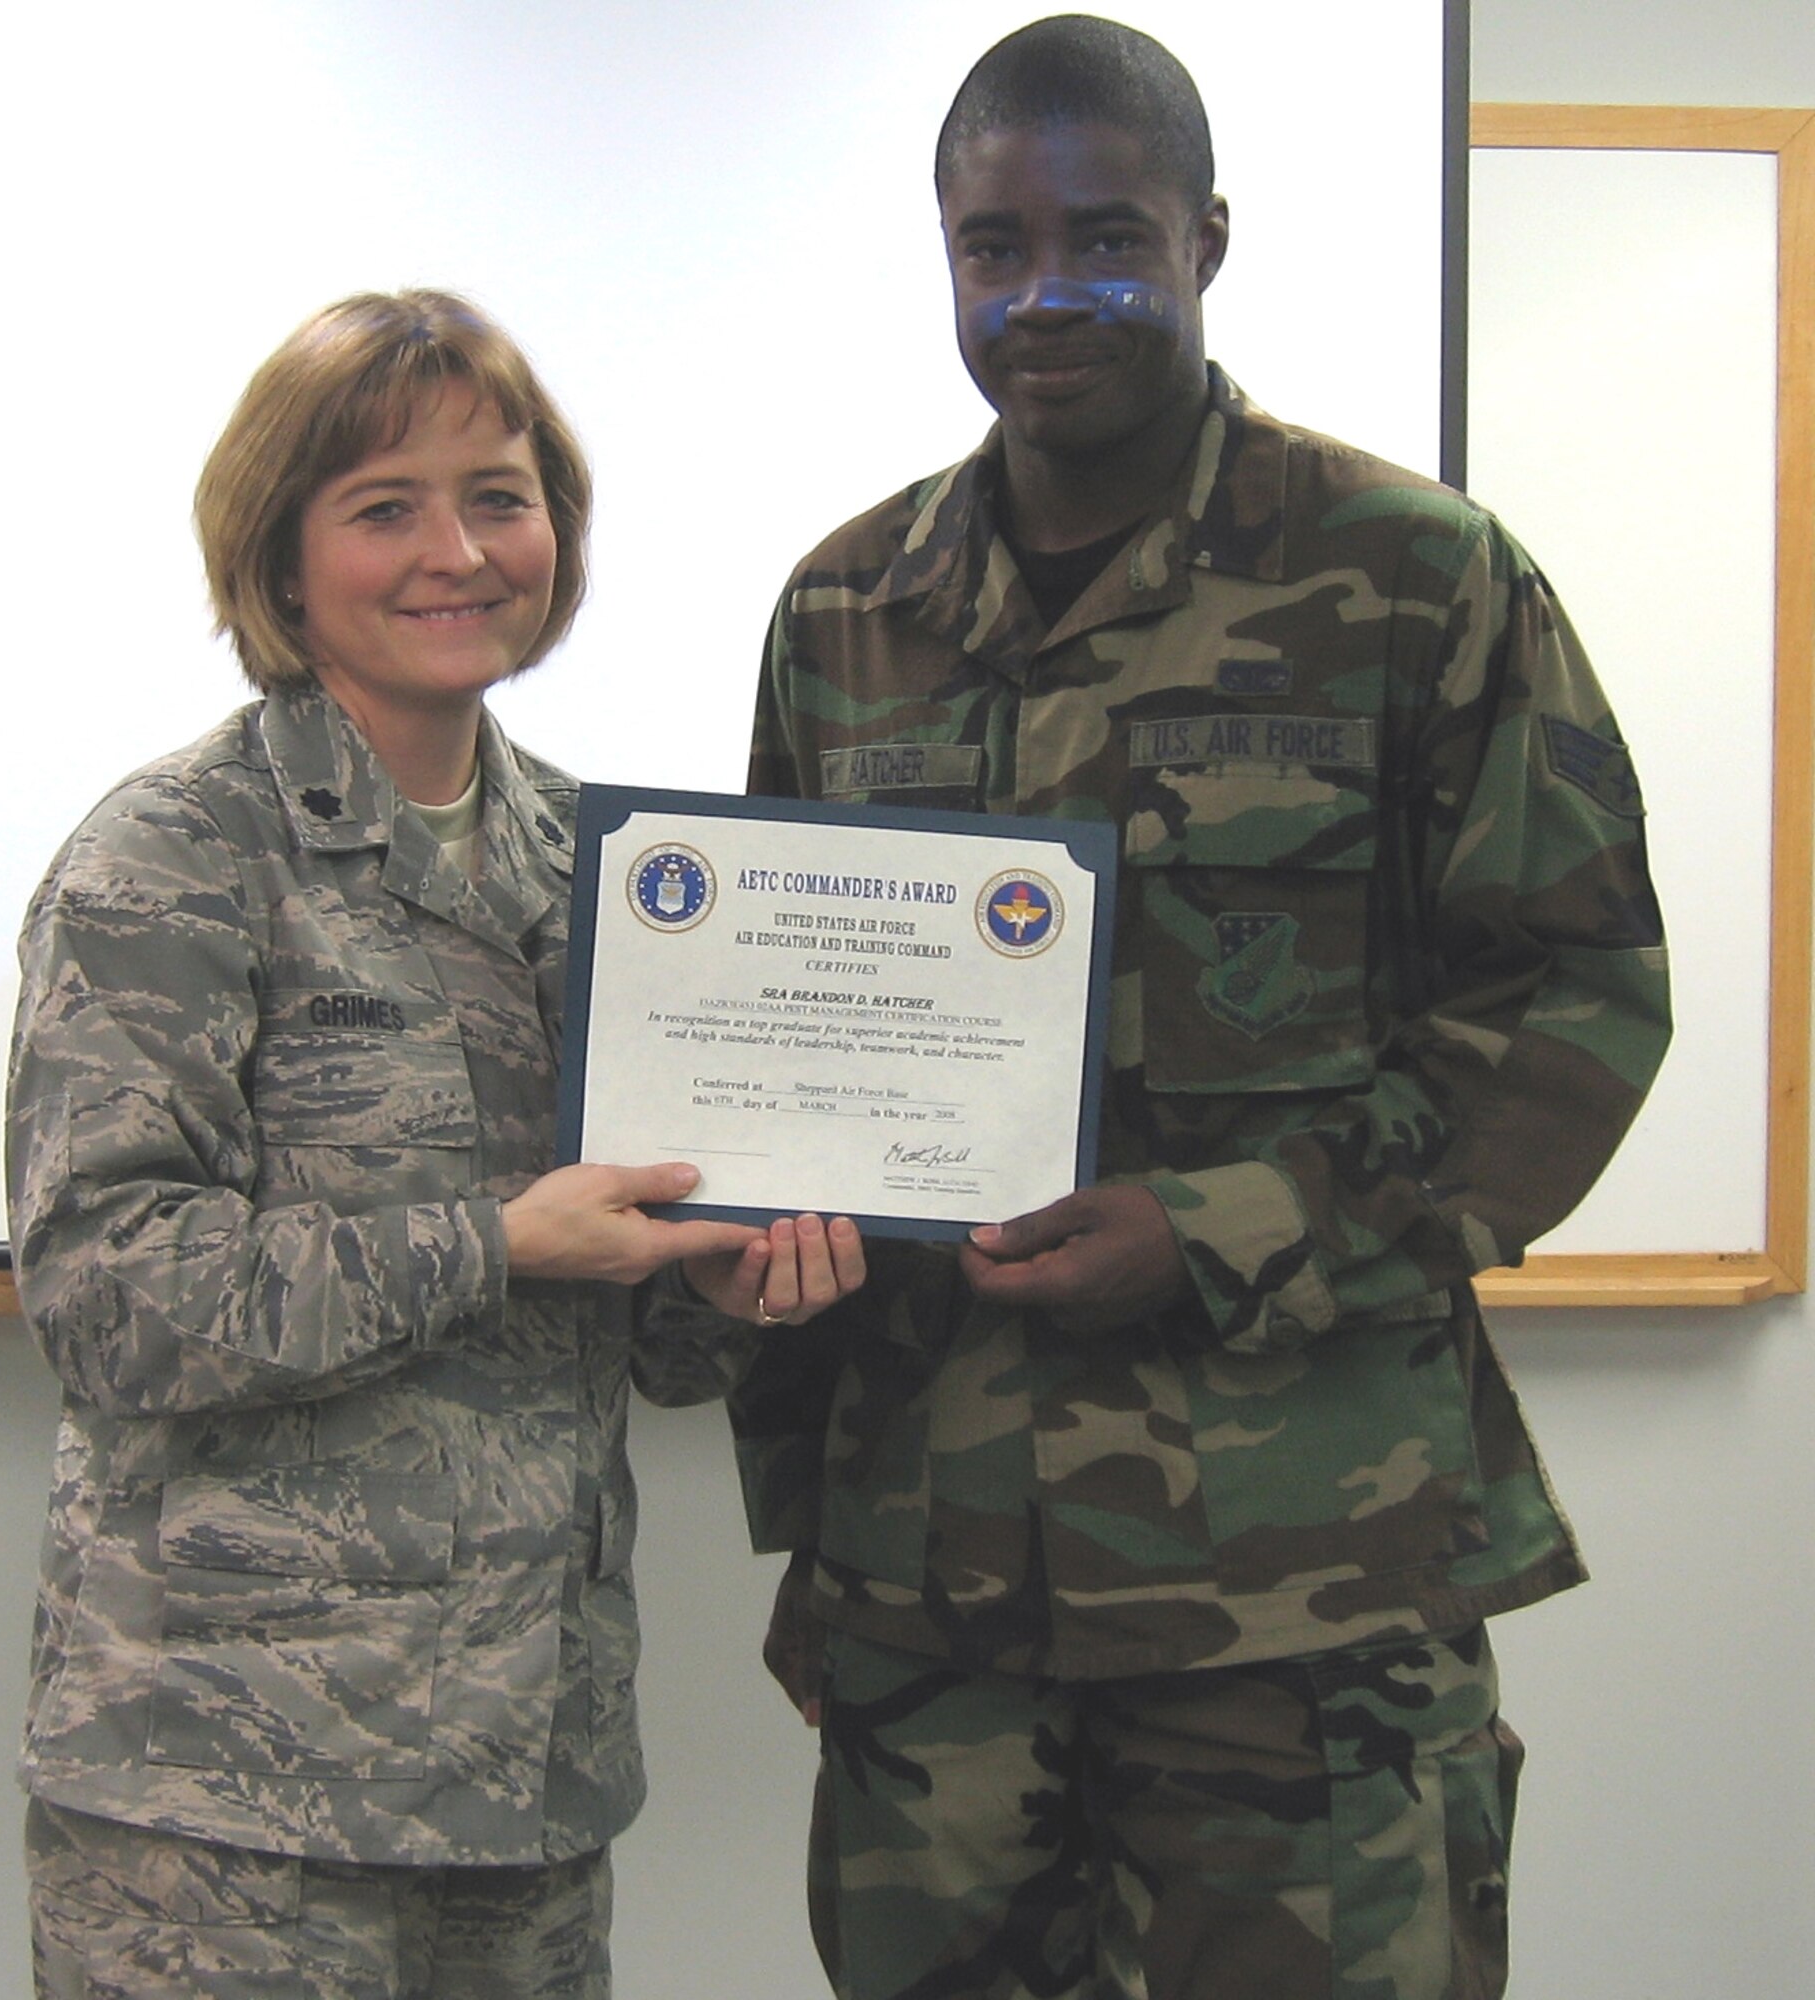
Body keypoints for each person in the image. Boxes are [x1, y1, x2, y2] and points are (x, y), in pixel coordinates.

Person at [729, 18, 1669, 2000]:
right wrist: (806, 1510)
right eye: (991, 246)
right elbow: (776, 1041)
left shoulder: (1412, 579)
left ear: (1207, 238)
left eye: (1104, 234)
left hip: (1299, 1599)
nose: (1042, 293)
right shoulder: (844, 613)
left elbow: (1576, 990)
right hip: (938, 1605)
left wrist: (1229, 1226)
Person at [5, 288, 863, 2000]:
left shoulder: (615, 876)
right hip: (228, 1808)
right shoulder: (172, 855)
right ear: (280, 552)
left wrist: (754, 1288)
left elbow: (630, 1325)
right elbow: (107, 1296)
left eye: (501, 493)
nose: (458, 550)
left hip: (527, 1778)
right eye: (384, 506)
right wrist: (497, 1239)